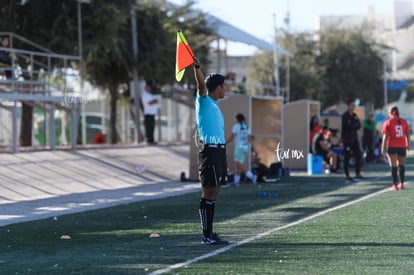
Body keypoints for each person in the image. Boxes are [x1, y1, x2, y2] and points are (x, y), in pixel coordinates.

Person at [193, 58, 229, 245]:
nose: (226, 90)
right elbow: (200, 85)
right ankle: (206, 235)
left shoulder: (215, 106)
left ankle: (210, 233)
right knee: (209, 191)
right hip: (209, 152)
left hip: (219, 151)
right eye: (224, 86)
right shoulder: (204, 100)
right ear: (218, 87)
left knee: (215, 192)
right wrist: (196, 68)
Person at [381, 105, 410, 190]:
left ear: (390, 113)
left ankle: (395, 185)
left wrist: (383, 147)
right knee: (401, 165)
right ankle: (402, 183)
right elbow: (407, 134)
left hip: (392, 146)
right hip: (402, 146)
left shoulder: (388, 122)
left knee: (393, 166)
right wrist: (408, 144)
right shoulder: (403, 121)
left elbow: (385, 137)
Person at [226, 113, 256, 185]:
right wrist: (254, 148)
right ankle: (236, 181)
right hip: (245, 148)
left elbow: (232, 137)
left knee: (237, 164)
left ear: (237, 119)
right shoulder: (247, 127)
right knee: (238, 165)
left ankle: (251, 176)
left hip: (239, 147)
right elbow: (249, 138)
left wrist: (224, 142)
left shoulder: (236, 126)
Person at [341, 99, 363, 183]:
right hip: (347, 140)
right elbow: (348, 126)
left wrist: (354, 125)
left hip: (355, 139)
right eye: (351, 105)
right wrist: (354, 125)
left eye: (354, 105)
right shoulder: (345, 116)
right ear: (348, 106)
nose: (353, 107)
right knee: (347, 157)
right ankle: (347, 176)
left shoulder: (354, 115)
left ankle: (358, 173)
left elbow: (358, 125)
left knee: (358, 155)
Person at [141, 80, 159, 145]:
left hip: (152, 114)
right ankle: (148, 140)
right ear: (146, 88)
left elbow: (156, 101)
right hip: (148, 114)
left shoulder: (151, 95)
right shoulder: (144, 95)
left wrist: (154, 101)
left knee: (152, 128)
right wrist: (154, 101)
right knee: (148, 128)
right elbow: (150, 103)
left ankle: (152, 140)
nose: (149, 89)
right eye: (148, 87)